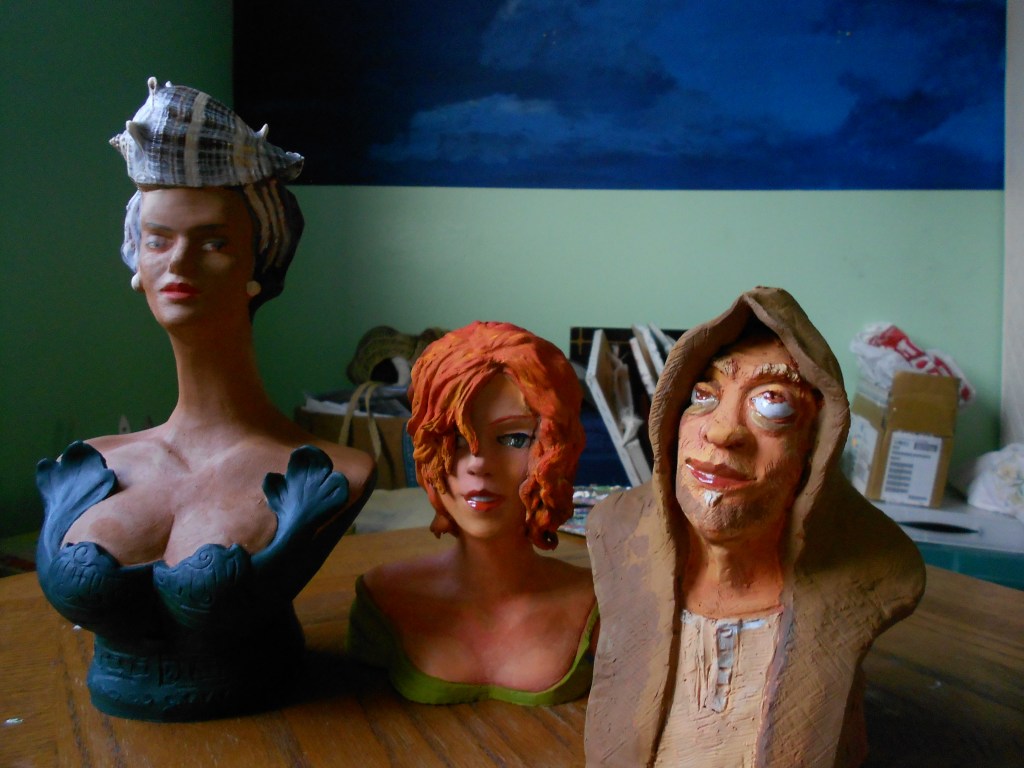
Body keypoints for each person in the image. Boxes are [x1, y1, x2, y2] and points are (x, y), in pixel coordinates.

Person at [34, 78, 375, 721]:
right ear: (136, 260)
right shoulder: (91, 465)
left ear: (258, 262)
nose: (179, 264)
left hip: (288, 725)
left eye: (214, 242)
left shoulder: (335, 471)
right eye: (159, 240)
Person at [585, 287, 925, 767]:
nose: (722, 430)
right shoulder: (618, 539)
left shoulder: (880, 567)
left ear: (816, 448)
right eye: (703, 396)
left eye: (772, 404)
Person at [346, 321, 597, 705]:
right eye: (456, 438)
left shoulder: (599, 603)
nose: (478, 464)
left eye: (514, 438)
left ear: (556, 450)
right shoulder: (383, 599)